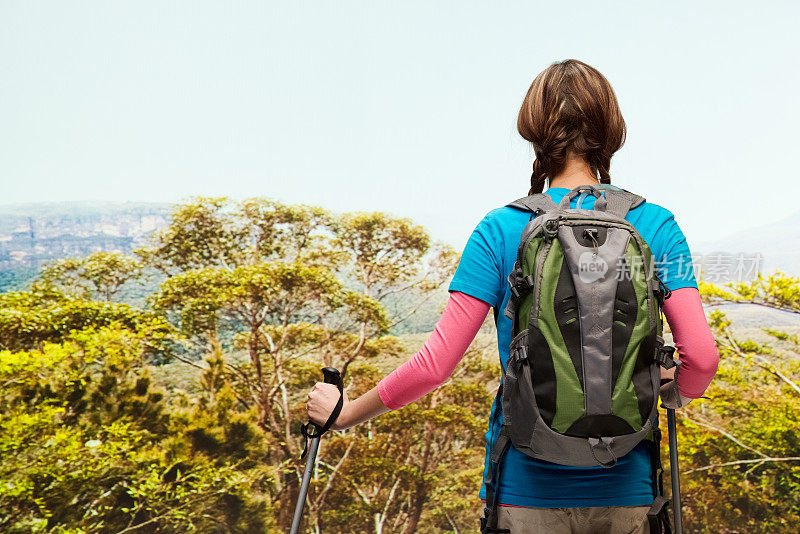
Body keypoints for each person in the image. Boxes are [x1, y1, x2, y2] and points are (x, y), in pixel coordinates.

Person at [306, 59, 720, 534]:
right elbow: (702, 359)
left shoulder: (501, 229)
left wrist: (344, 414)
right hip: (629, 492)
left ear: (534, 129)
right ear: (612, 129)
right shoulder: (656, 225)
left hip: (524, 493)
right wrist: (667, 389)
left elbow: (436, 366)